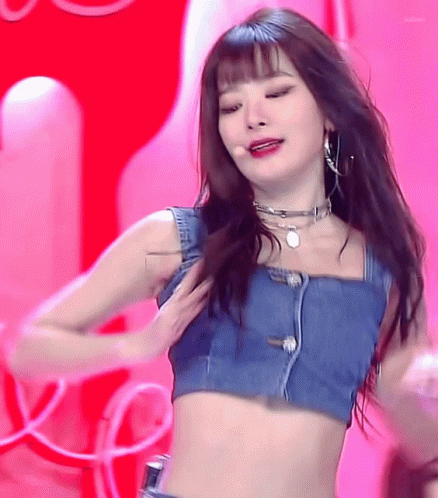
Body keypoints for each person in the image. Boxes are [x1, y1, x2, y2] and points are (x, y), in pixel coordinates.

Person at [7, 7, 437, 498]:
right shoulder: (176, 239)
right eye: (231, 106)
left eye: (277, 93)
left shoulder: (382, 268)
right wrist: (138, 345)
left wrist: (422, 394)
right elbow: (29, 347)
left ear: (331, 113)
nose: (252, 118)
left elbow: (411, 410)